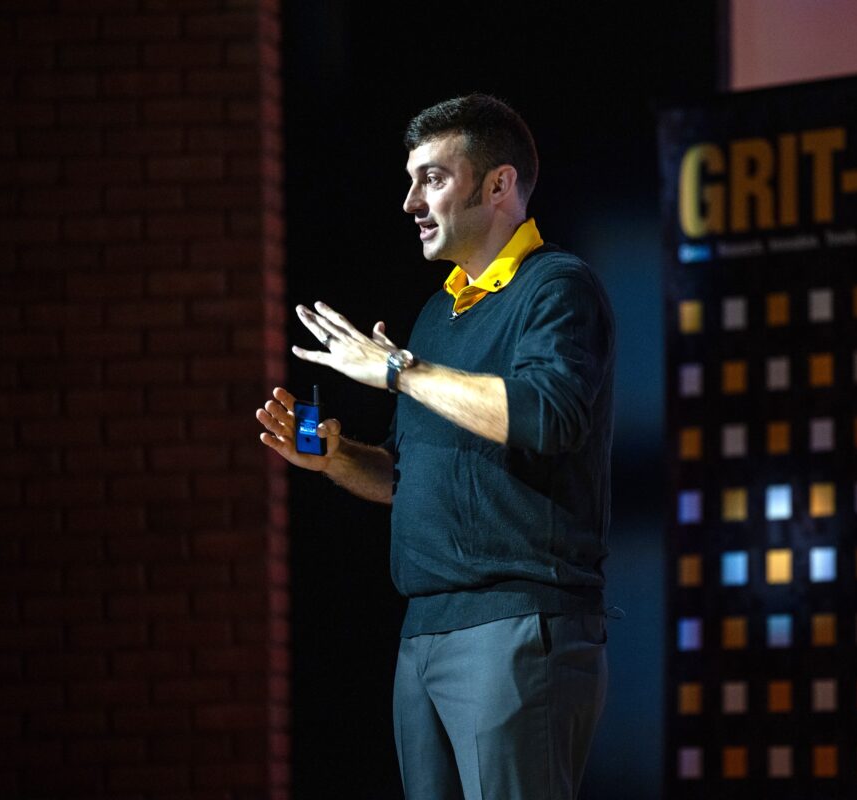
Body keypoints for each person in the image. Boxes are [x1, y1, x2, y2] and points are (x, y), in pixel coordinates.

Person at [255, 94, 615, 800]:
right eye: (412, 179)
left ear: (499, 185)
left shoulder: (558, 289)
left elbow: (547, 416)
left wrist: (399, 370)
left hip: (515, 623)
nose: (410, 201)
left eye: (433, 178)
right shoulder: (437, 312)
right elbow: (403, 475)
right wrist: (335, 459)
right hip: (425, 631)